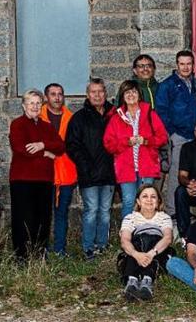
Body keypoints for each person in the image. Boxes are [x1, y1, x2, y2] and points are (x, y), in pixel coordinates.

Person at [9, 89, 65, 261]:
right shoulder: (17, 124)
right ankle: (22, 255)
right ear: (24, 105)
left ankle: (40, 253)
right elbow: (20, 148)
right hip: (22, 179)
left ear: (42, 106)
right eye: (31, 103)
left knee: (43, 218)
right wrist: (46, 154)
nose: (34, 106)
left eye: (38, 103)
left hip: (44, 179)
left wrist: (42, 144)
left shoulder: (46, 126)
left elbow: (60, 146)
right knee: (23, 217)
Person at [66, 78, 115, 259]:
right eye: (93, 92)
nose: (97, 95)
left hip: (109, 173)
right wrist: (85, 165)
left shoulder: (114, 114)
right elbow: (72, 145)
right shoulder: (79, 118)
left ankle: (102, 245)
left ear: (105, 93)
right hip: (89, 174)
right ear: (87, 95)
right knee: (91, 211)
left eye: (100, 91)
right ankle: (88, 248)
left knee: (105, 212)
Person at [105, 80, 169, 219]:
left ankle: (146, 234)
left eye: (134, 91)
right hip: (125, 168)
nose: (131, 95)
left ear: (139, 95)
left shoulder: (149, 114)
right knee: (128, 201)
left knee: (148, 202)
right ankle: (128, 235)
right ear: (122, 96)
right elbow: (109, 144)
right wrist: (126, 142)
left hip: (147, 166)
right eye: (127, 92)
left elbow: (163, 137)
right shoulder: (116, 118)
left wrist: (146, 141)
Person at [155, 50, 196, 218]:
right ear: (177, 65)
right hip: (179, 136)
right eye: (182, 64)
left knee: (191, 174)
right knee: (176, 174)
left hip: (194, 136)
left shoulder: (195, 83)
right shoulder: (167, 85)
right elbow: (161, 112)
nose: (186, 67)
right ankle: (173, 211)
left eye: (189, 63)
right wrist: (172, 134)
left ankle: (186, 209)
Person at [39, 83, 76, 256]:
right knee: (43, 214)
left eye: (60, 94)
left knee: (61, 214)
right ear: (46, 97)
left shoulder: (71, 118)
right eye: (53, 94)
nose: (57, 97)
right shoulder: (37, 117)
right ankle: (42, 249)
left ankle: (60, 249)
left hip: (66, 173)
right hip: (43, 174)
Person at [118, 185, 173, 301]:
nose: (149, 200)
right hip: (137, 249)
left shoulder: (164, 217)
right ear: (138, 201)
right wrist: (136, 254)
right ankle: (132, 281)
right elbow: (124, 240)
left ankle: (146, 281)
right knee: (137, 241)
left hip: (156, 250)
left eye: (153, 197)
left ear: (158, 202)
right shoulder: (130, 217)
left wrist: (151, 253)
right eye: (145, 196)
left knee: (154, 239)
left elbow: (168, 238)